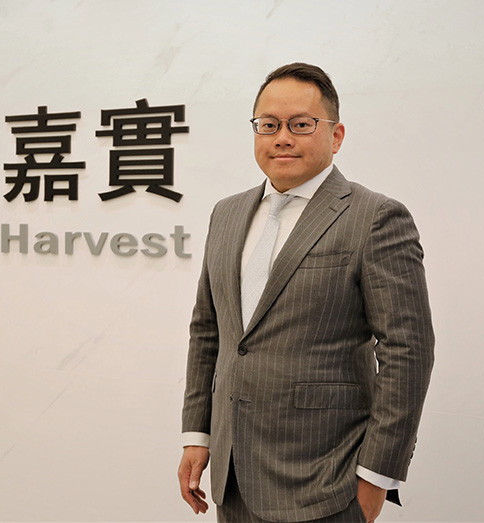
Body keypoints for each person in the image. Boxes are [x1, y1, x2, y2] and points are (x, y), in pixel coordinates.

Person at [177, 63, 435, 523]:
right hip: (233, 479)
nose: (282, 138)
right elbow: (209, 330)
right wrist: (198, 435)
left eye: (300, 124)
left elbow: (407, 351)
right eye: (268, 125)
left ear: (336, 136)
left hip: (328, 480)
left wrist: (377, 474)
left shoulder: (375, 217)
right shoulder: (227, 214)